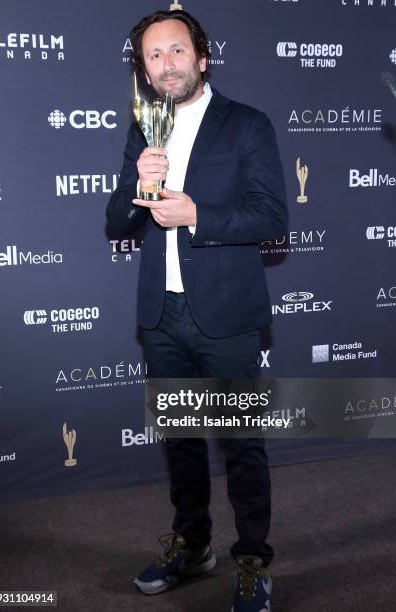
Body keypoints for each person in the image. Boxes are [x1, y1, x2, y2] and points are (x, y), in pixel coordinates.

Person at [106, 8, 287, 612]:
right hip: (161, 318)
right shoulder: (143, 128)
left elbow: (272, 219)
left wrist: (198, 218)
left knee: (241, 444)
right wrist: (137, 185)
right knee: (181, 442)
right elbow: (115, 222)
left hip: (226, 317)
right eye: (153, 56)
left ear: (201, 58)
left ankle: (254, 562)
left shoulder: (247, 124)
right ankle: (192, 547)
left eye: (176, 51)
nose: (165, 64)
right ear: (144, 68)